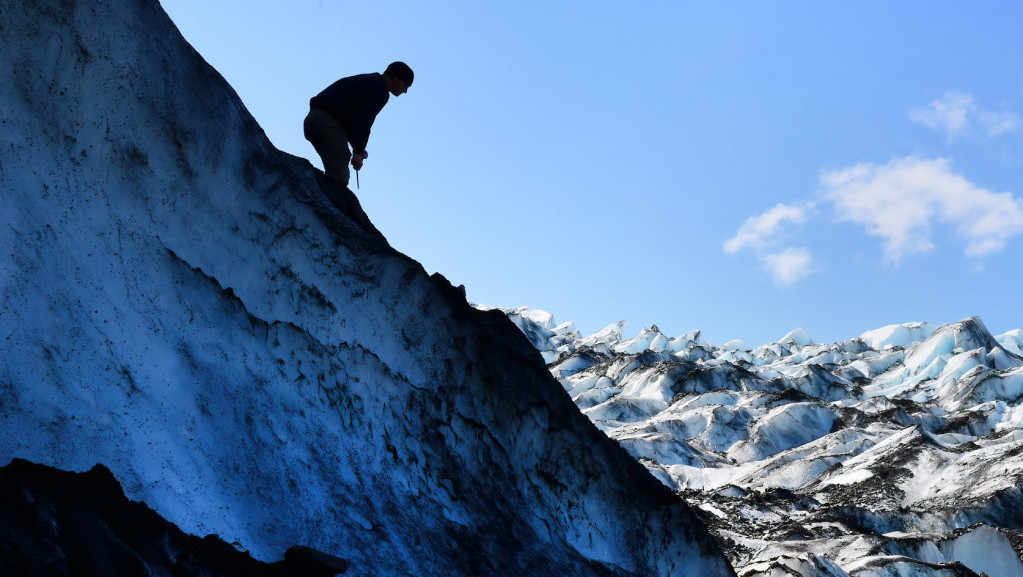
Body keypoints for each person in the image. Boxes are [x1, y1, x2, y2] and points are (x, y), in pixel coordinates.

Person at [304, 61, 414, 187]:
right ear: (396, 77)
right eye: (405, 85)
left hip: (317, 119)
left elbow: (351, 121)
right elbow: (363, 119)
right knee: (339, 177)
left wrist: (359, 149)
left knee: (337, 172)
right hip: (325, 122)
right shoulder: (379, 88)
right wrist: (357, 152)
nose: (405, 91)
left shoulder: (371, 82)